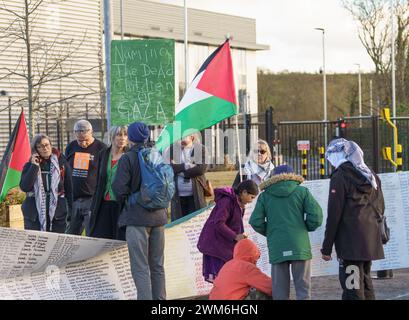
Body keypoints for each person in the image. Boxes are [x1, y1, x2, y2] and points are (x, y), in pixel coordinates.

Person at [320, 138, 385, 300]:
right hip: (370, 239)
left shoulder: (340, 176)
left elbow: (334, 214)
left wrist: (327, 248)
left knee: (352, 286)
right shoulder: (371, 175)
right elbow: (381, 207)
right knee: (365, 281)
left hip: (350, 242)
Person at [249, 164, 323, 300]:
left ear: (274, 177)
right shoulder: (302, 191)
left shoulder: (265, 196)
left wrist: (271, 232)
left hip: (277, 245)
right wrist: (305, 227)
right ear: (293, 175)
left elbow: (255, 221)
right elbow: (316, 217)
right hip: (299, 245)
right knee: (303, 290)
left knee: (280, 292)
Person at [112, 121, 167, 300]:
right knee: (158, 265)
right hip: (159, 217)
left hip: (137, 218)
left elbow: (118, 189)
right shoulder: (157, 154)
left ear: (132, 137)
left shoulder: (127, 158)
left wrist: (129, 199)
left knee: (140, 266)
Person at [197, 180, 259, 283]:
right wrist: (235, 236)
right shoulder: (227, 201)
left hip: (224, 244)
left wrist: (239, 236)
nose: (251, 201)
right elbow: (219, 223)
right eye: (251, 197)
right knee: (221, 280)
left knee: (227, 279)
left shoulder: (239, 203)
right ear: (244, 192)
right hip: (215, 245)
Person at [20, 134, 73, 233]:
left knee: (55, 243)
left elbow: (69, 188)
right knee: (36, 243)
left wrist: (71, 211)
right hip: (34, 212)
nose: (45, 148)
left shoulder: (62, 164)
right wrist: (34, 166)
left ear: (51, 145)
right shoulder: (29, 165)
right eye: (40, 146)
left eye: (47, 145)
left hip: (57, 212)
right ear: (36, 150)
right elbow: (25, 187)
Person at [65, 119, 106, 236]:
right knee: (70, 234)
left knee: (91, 234)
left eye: (86, 140)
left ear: (91, 132)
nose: (83, 143)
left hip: (92, 199)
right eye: (79, 140)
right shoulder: (71, 147)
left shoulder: (101, 148)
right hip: (74, 199)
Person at [89, 126, 128, 240]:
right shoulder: (103, 154)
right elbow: (99, 181)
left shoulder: (130, 156)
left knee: (119, 239)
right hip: (103, 203)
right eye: (119, 135)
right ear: (112, 136)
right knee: (99, 238)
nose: (122, 138)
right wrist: (93, 206)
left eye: (125, 135)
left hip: (121, 204)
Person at [164, 134, 209, 221]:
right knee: (179, 225)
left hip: (196, 194)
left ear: (192, 137)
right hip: (177, 196)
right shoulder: (172, 150)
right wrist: (185, 166)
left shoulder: (200, 149)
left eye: (183, 136)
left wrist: (182, 173)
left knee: (196, 223)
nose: (180, 138)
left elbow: (201, 168)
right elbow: (168, 167)